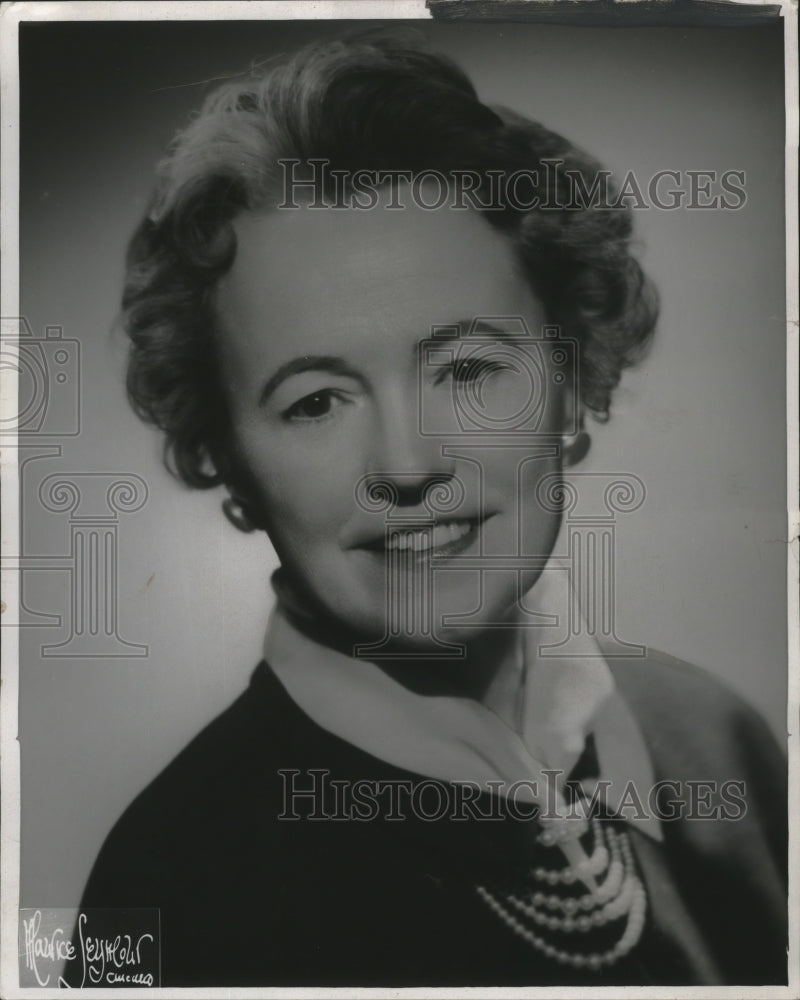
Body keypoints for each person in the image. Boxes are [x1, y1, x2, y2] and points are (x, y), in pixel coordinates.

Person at [70, 29, 787, 987]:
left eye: (469, 369)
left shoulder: (720, 742)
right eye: (316, 400)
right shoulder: (161, 886)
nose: (407, 465)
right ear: (228, 462)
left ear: (571, 389)